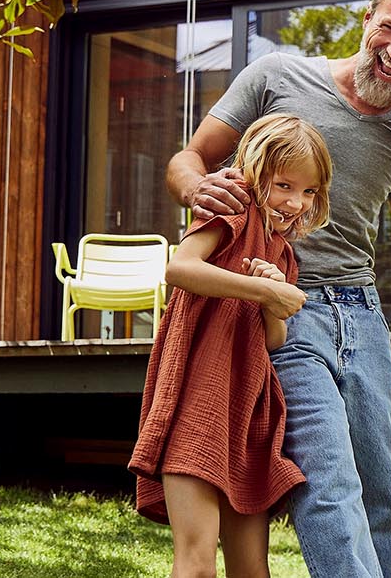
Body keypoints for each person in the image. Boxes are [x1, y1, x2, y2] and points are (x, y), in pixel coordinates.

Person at [165, 0, 391, 578]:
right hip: (285, 306)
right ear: (367, 19)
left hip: (365, 316)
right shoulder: (277, 76)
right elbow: (189, 158)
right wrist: (197, 187)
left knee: (380, 494)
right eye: (389, 28)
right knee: (329, 484)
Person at [129, 114, 330, 578]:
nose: (296, 202)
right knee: (197, 564)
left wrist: (272, 302)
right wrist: (262, 292)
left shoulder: (283, 251)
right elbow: (180, 268)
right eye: (284, 185)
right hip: (198, 404)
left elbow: (273, 340)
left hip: (247, 414)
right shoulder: (232, 212)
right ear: (256, 172)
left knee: (253, 569)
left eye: (309, 191)